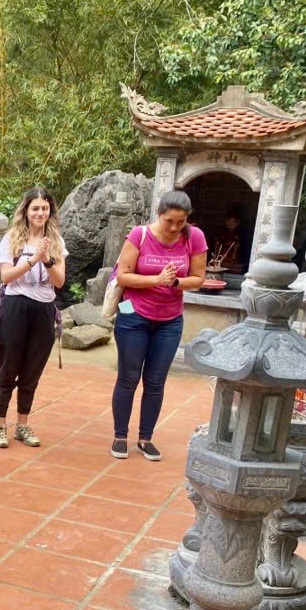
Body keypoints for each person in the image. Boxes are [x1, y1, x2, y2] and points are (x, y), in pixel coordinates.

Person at [110, 190, 207, 461]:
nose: (175, 228)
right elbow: (124, 276)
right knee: (128, 378)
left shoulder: (194, 237)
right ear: (159, 215)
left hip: (170, 320)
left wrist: (176, 282)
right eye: (170, 222)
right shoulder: (139, 235)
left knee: (155, 382)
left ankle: (145, 438)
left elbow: (199, 278)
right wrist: (157, 280)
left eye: (181, 222)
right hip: (134, 316)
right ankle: (120, 435)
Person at [0, 187, 67, 449]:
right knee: (8, 365)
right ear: (26, 210)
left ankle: (22, 424)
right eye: (35, 208)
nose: (40, 213)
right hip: (16, 305)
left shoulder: (56, 240)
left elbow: (59, 281)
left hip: (44, 308)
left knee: (32, 369)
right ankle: (0, 424)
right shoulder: (12, 238)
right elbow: (6, 277)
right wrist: (33, 259)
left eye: (45, 208)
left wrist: (47, 261)